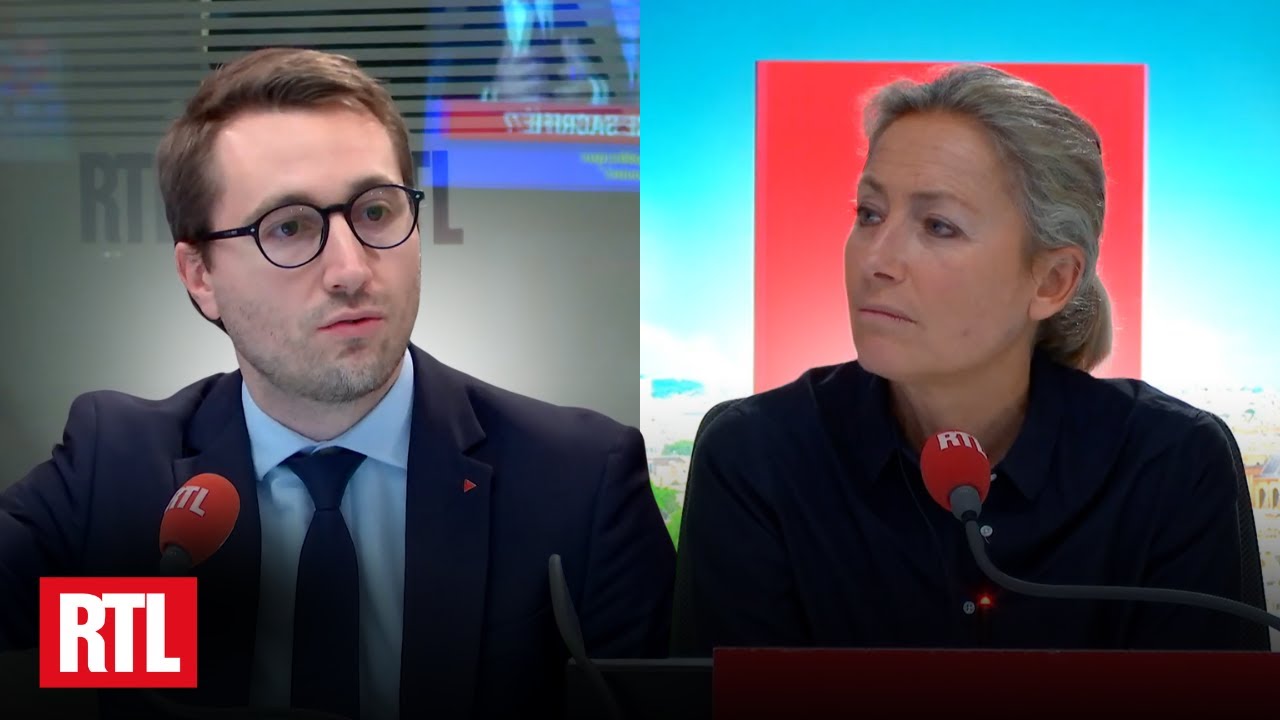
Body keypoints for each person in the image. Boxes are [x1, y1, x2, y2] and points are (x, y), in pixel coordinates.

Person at [0, 47, 674, 719]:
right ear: (200, 276)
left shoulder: (577, 481)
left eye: (376, 212)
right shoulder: (119, 476)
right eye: (290, 227)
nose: (350, 269)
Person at [671, 64, 1266, 655]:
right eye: (869, 214)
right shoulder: (757, 455)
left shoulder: (1169, 462)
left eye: (939, 226)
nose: (877, 260)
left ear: (1053, 281)